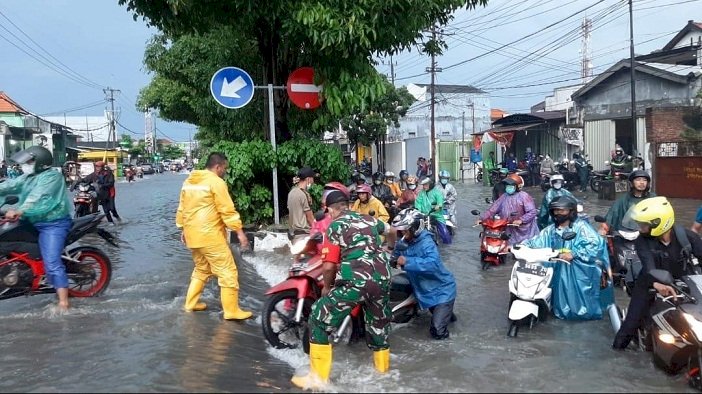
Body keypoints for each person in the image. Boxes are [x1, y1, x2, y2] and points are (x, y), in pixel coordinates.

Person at [291, 190, 392, 389]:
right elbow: (392, 230)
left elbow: (328, 266)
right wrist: (390, 248)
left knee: (318, 318)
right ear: (347, 205)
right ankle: (383, 375)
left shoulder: (335, 226)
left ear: (329, 209)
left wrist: (326, 288)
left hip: (356, 281)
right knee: (378, 327)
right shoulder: (369, 220)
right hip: (383, 278)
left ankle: (318, 380)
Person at [613, 197, 702, 349]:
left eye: (643, 224)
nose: (640, 228)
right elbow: (649, 266)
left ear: (658, 223)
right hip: (650, 281)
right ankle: (618, 348)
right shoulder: (642, 241)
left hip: (684, 280)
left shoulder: (686, 236)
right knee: (631, 322)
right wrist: (656, 283)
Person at [176, 152, 252, 320]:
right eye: (224, 168)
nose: (225, 171)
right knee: (228, 271)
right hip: (209, 235)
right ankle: (231, 311)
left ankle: (190, 303)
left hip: (192, 235)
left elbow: (183, 208)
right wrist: (240, 233)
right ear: (218, 167)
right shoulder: (216, 183)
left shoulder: (189, 182)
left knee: (202, 269)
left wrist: (183, 229)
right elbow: (227, 210)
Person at [0, 146, 72, 310]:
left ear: (40, 162)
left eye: (30, 161)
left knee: (52, 262)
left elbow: (38, 197)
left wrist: (20, 210)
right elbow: (8, 185)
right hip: (30, 220)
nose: (25, 164)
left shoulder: (52, 177)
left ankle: (63, 303)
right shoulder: (28, 177)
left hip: (53, 224)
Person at [523, 195, 613, 320]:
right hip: (557, 270)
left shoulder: (581, 227)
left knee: (580, 303)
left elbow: (596, 244)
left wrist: (574, 254)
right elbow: (535, 242)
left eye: (562, 210)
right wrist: (518, 247)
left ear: (571, 211)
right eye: (556, 210)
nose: (558, 213)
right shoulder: (550, 230)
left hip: (579, 271)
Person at [391, 208, 457, 339]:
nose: (403, 233)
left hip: (441, 291)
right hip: (423, 290)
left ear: (415, 228)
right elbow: (394, 257)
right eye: (401, 230)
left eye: (405, 229)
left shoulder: (427, 242)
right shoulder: (403, 241)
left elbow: (432, 263)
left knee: (437, 331)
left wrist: (407, 261)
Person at [479, 175, 538, 245]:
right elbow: (492, 210)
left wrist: (521, 220)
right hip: (509, 228)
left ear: (517, 186)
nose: (508, 187)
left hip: (525, 231)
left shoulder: (524, 196)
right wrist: (482, 219)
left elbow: (532, 212)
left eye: (511, 185)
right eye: (507, 185)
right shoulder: (504, 196)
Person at [598, 170, 655, 236]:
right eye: (638, 180)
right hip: (626, 233)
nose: (642, 182)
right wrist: (604, 228)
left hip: (647, 234)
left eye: (644, 180)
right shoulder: (623, 199)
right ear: (631, 183)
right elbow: (612, 214)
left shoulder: (653, 198)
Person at [415, 176, 451, 244]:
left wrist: (436, 207)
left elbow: (440, 203)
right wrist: (417, 210)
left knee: (444, 232)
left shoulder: (437, 193)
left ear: (430, 184)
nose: (424, 186)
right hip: (423, 215)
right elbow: (418, 203)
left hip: (436, 215)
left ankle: (448, 243)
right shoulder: (421, 193)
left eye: (426, 185)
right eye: (423, 185)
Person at [287, 166, 316, 240]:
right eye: (312, 178)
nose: (313, 181)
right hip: (304, 234)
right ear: (308, 179)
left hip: (293, 234)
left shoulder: (291, 193)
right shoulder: (304, 194)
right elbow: (310, 217)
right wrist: (317, 229)